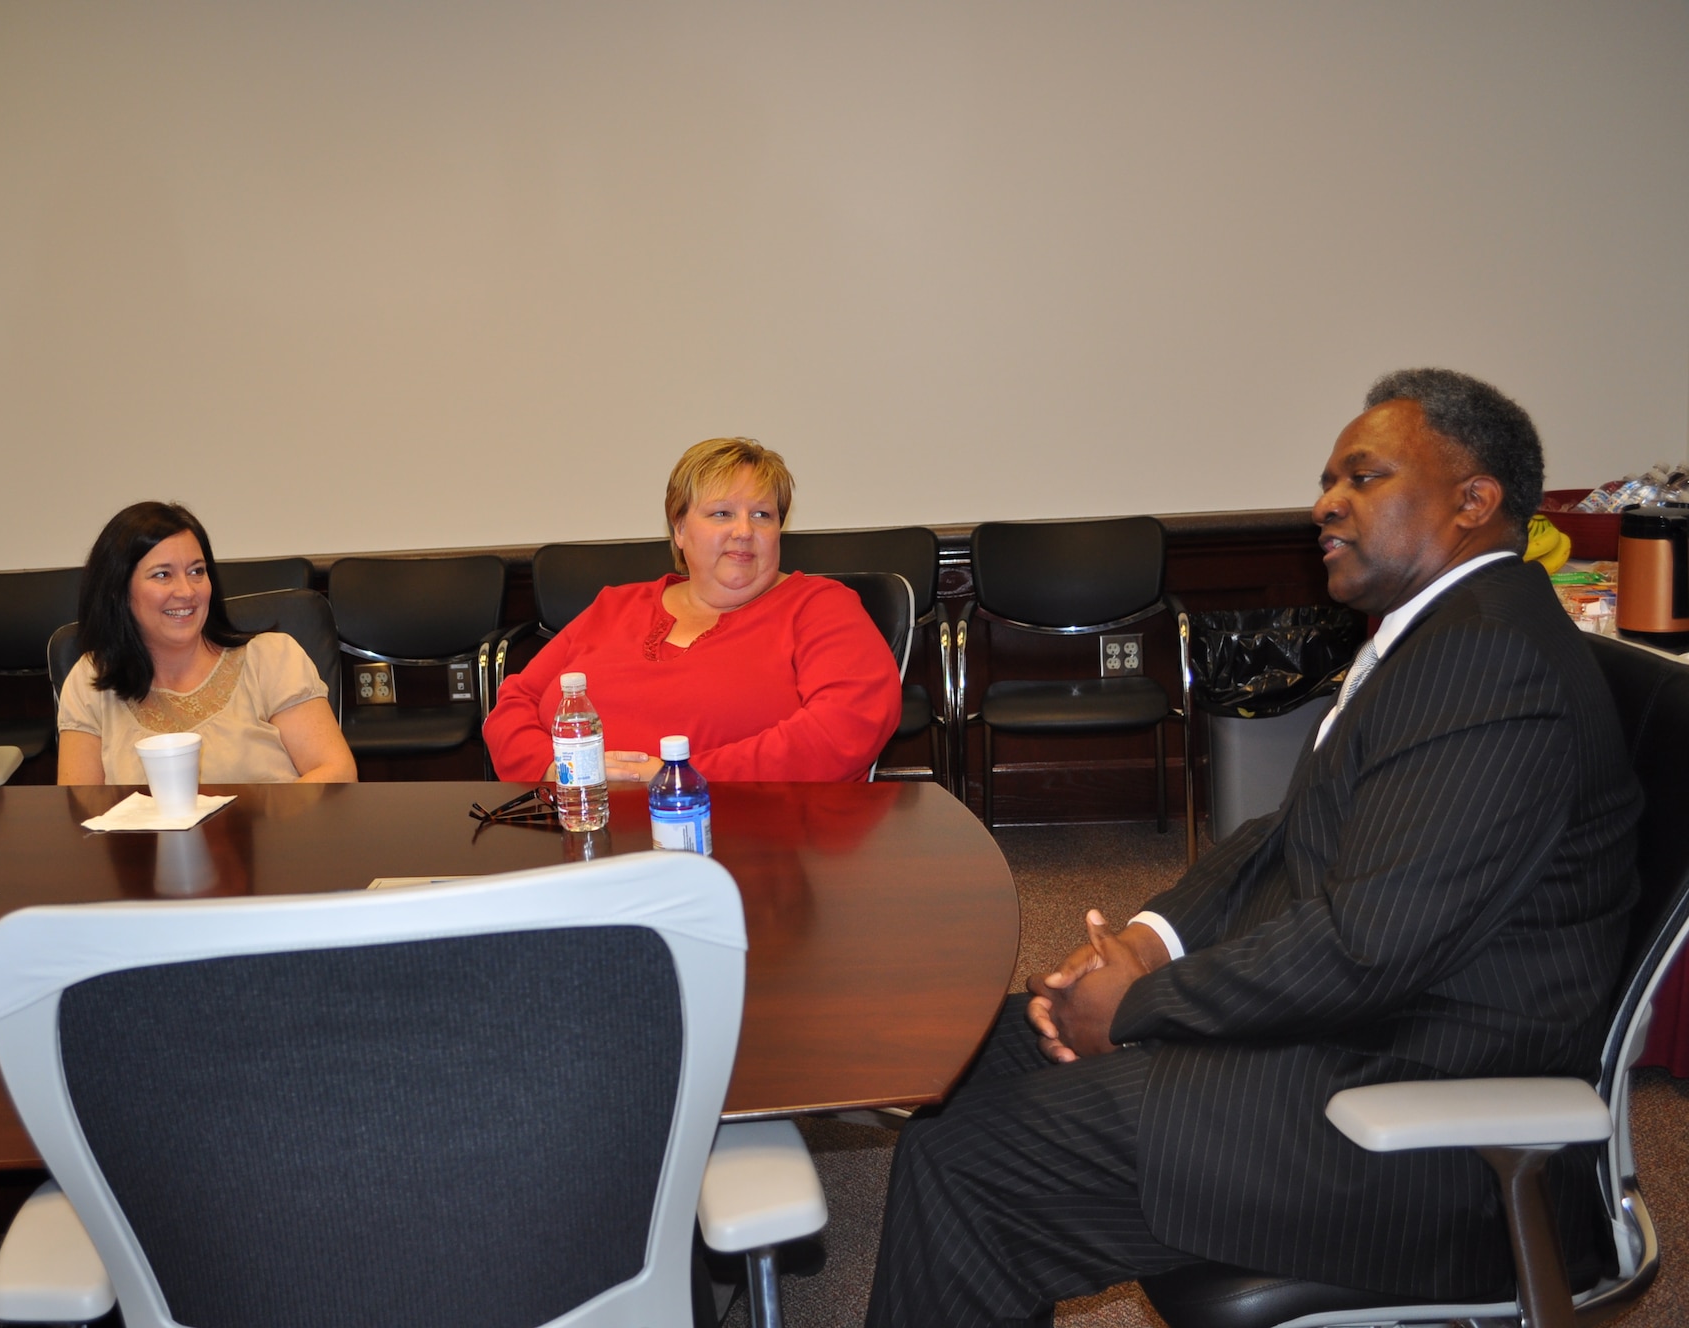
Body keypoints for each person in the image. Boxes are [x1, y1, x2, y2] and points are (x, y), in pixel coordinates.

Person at [865, 370, 1642, 1327]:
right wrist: (1152, 941)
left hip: (1413, 1115)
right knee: (980, 1063)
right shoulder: (1434, 635)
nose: (1326, 502)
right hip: (1348, 1039)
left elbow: (1370, 942)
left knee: (968, 1170)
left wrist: (1140, 1006)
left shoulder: (1490, 658)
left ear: (1474, 501)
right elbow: (1285, 836)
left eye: (1364, 477)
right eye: (1328, 479)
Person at [483, 438, 901, 783]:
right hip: (585, 832)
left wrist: (677, 778)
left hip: (755, 838)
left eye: (762, 515)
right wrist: (556, 770)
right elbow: (515, 703)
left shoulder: (819, 606)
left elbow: (847, 726)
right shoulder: (616, 605)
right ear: (679, 529)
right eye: (722, 513)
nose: (744, 531)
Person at [57, 502, 355, 785]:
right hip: (143, 841)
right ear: (117, 591)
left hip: (270, 835)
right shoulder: (90, 680)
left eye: (197, 571)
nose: (187, 591)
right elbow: (81, 808)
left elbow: (337, 772)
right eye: (163, 575)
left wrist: (248, 820)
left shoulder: (271, 659)